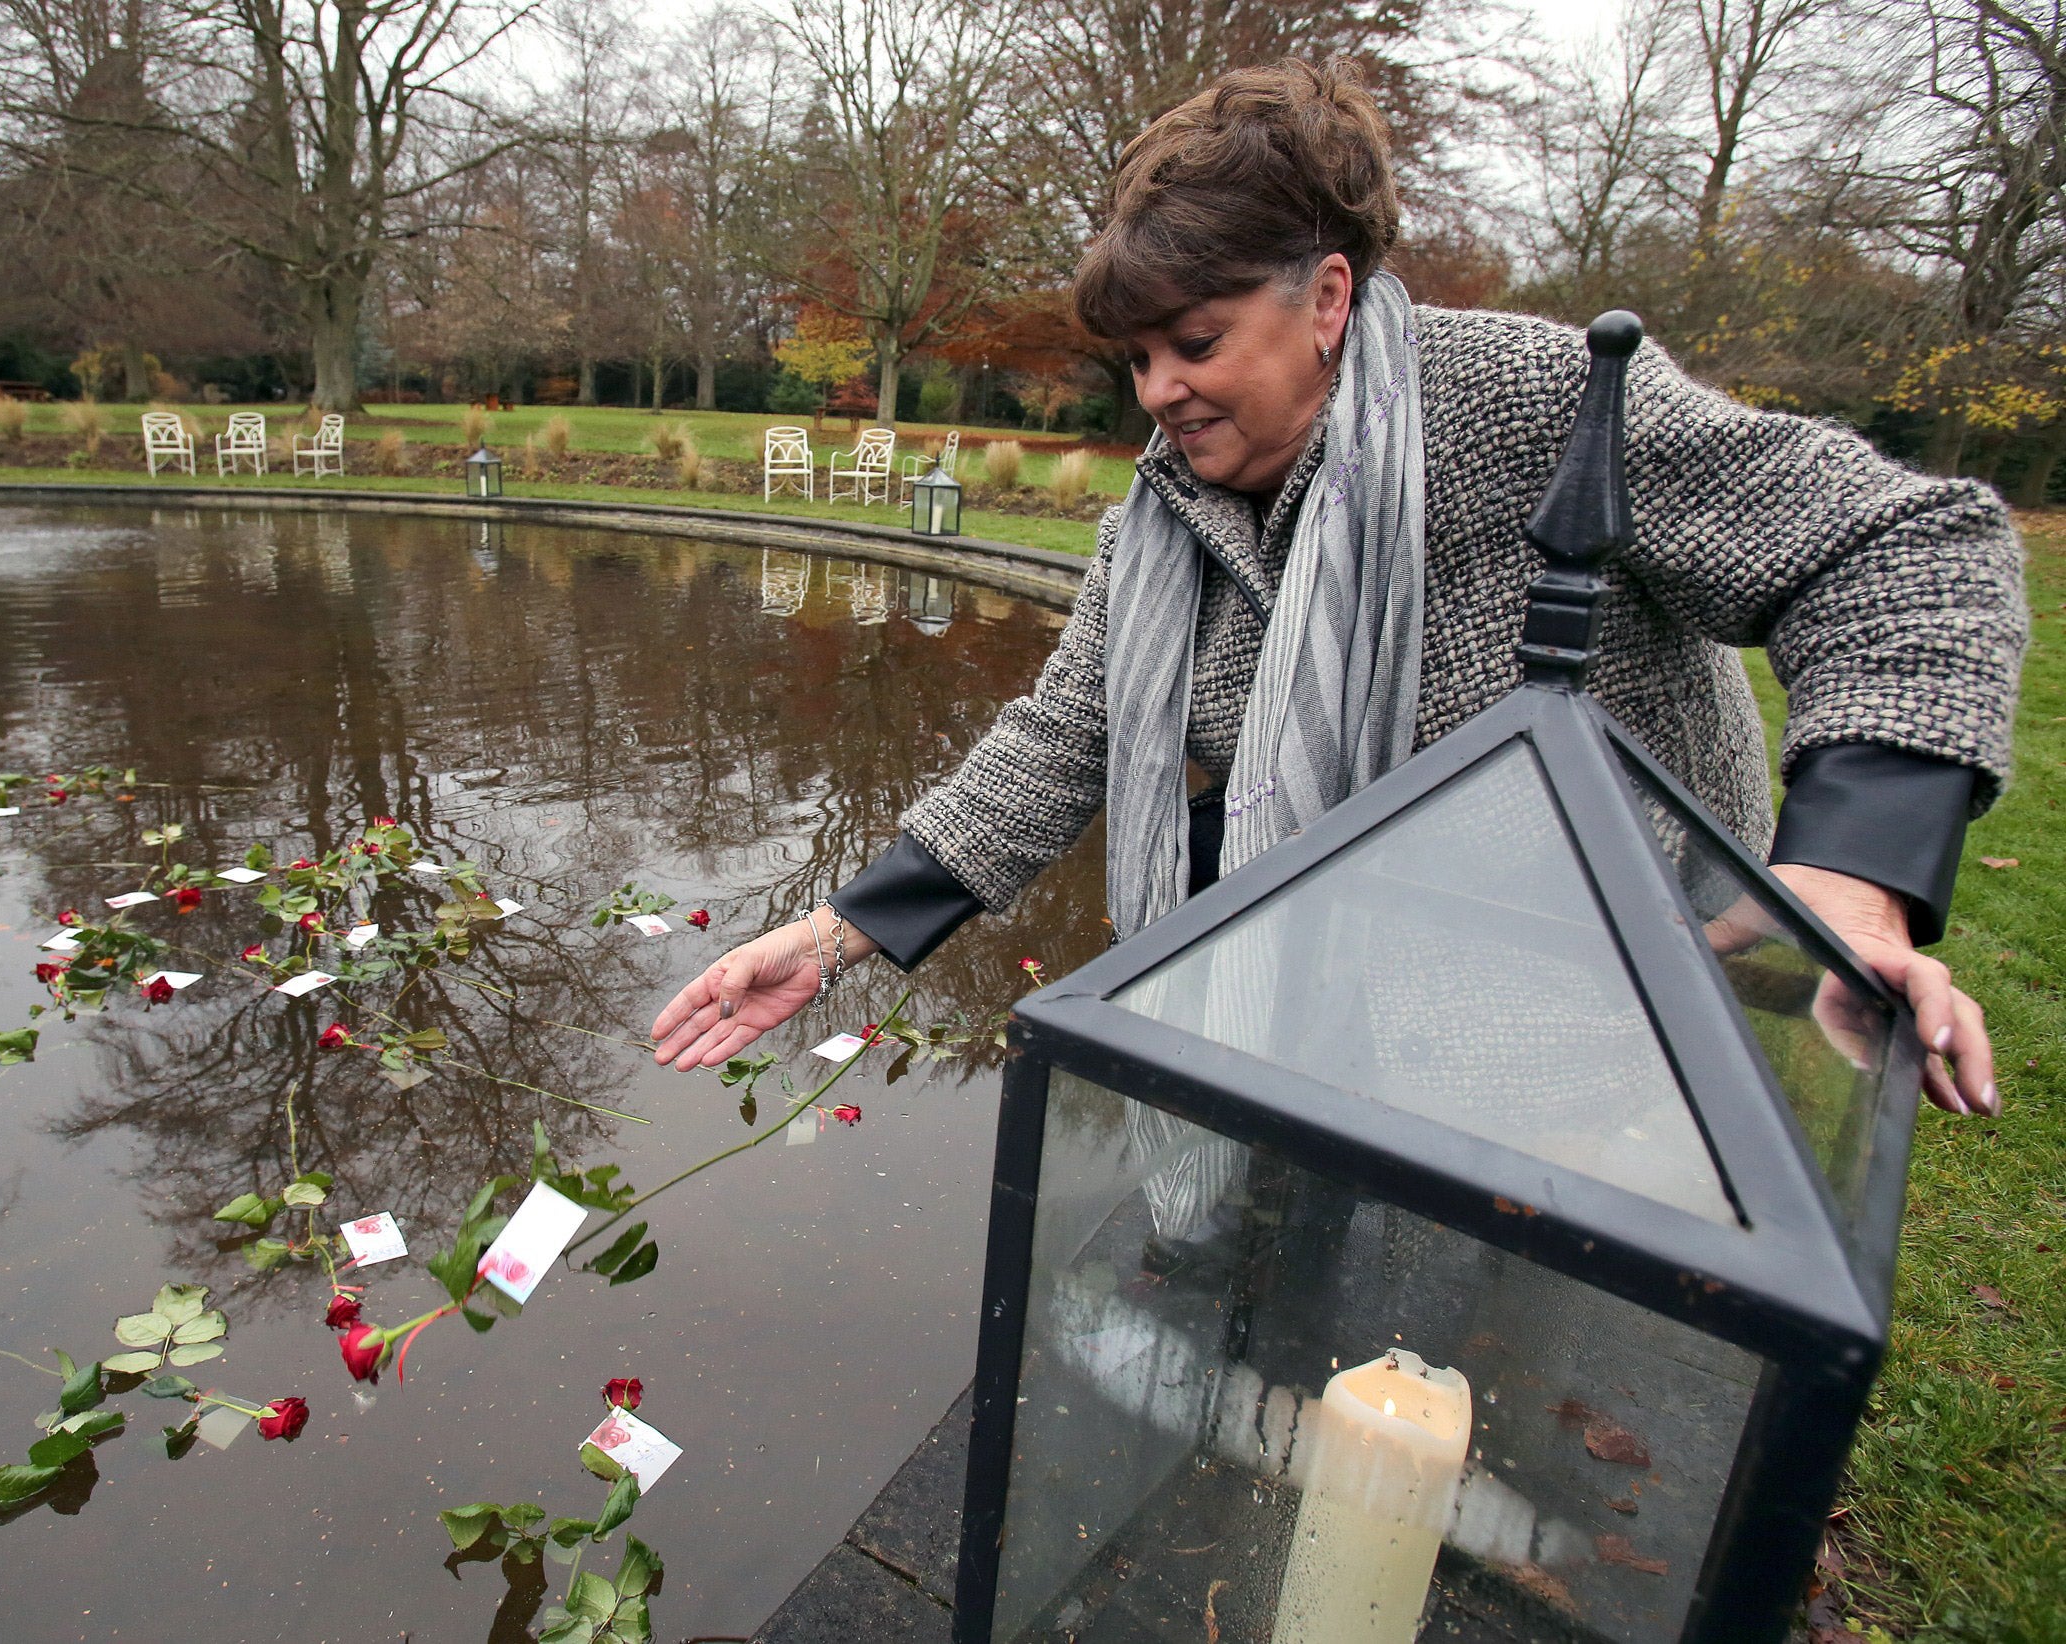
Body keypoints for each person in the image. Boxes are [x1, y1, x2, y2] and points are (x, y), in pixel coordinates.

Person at [651, 59, 2024, 1123]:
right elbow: (1061, 739)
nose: (1159, 393)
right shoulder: (1169, 507)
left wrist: (1845, 890)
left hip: (1623, 1037)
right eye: (1134, 360)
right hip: (1341, 1021)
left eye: (1194, 342)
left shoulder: (1525, 404)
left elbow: (1908, 551)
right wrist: (833, 939)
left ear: (1325, 297)